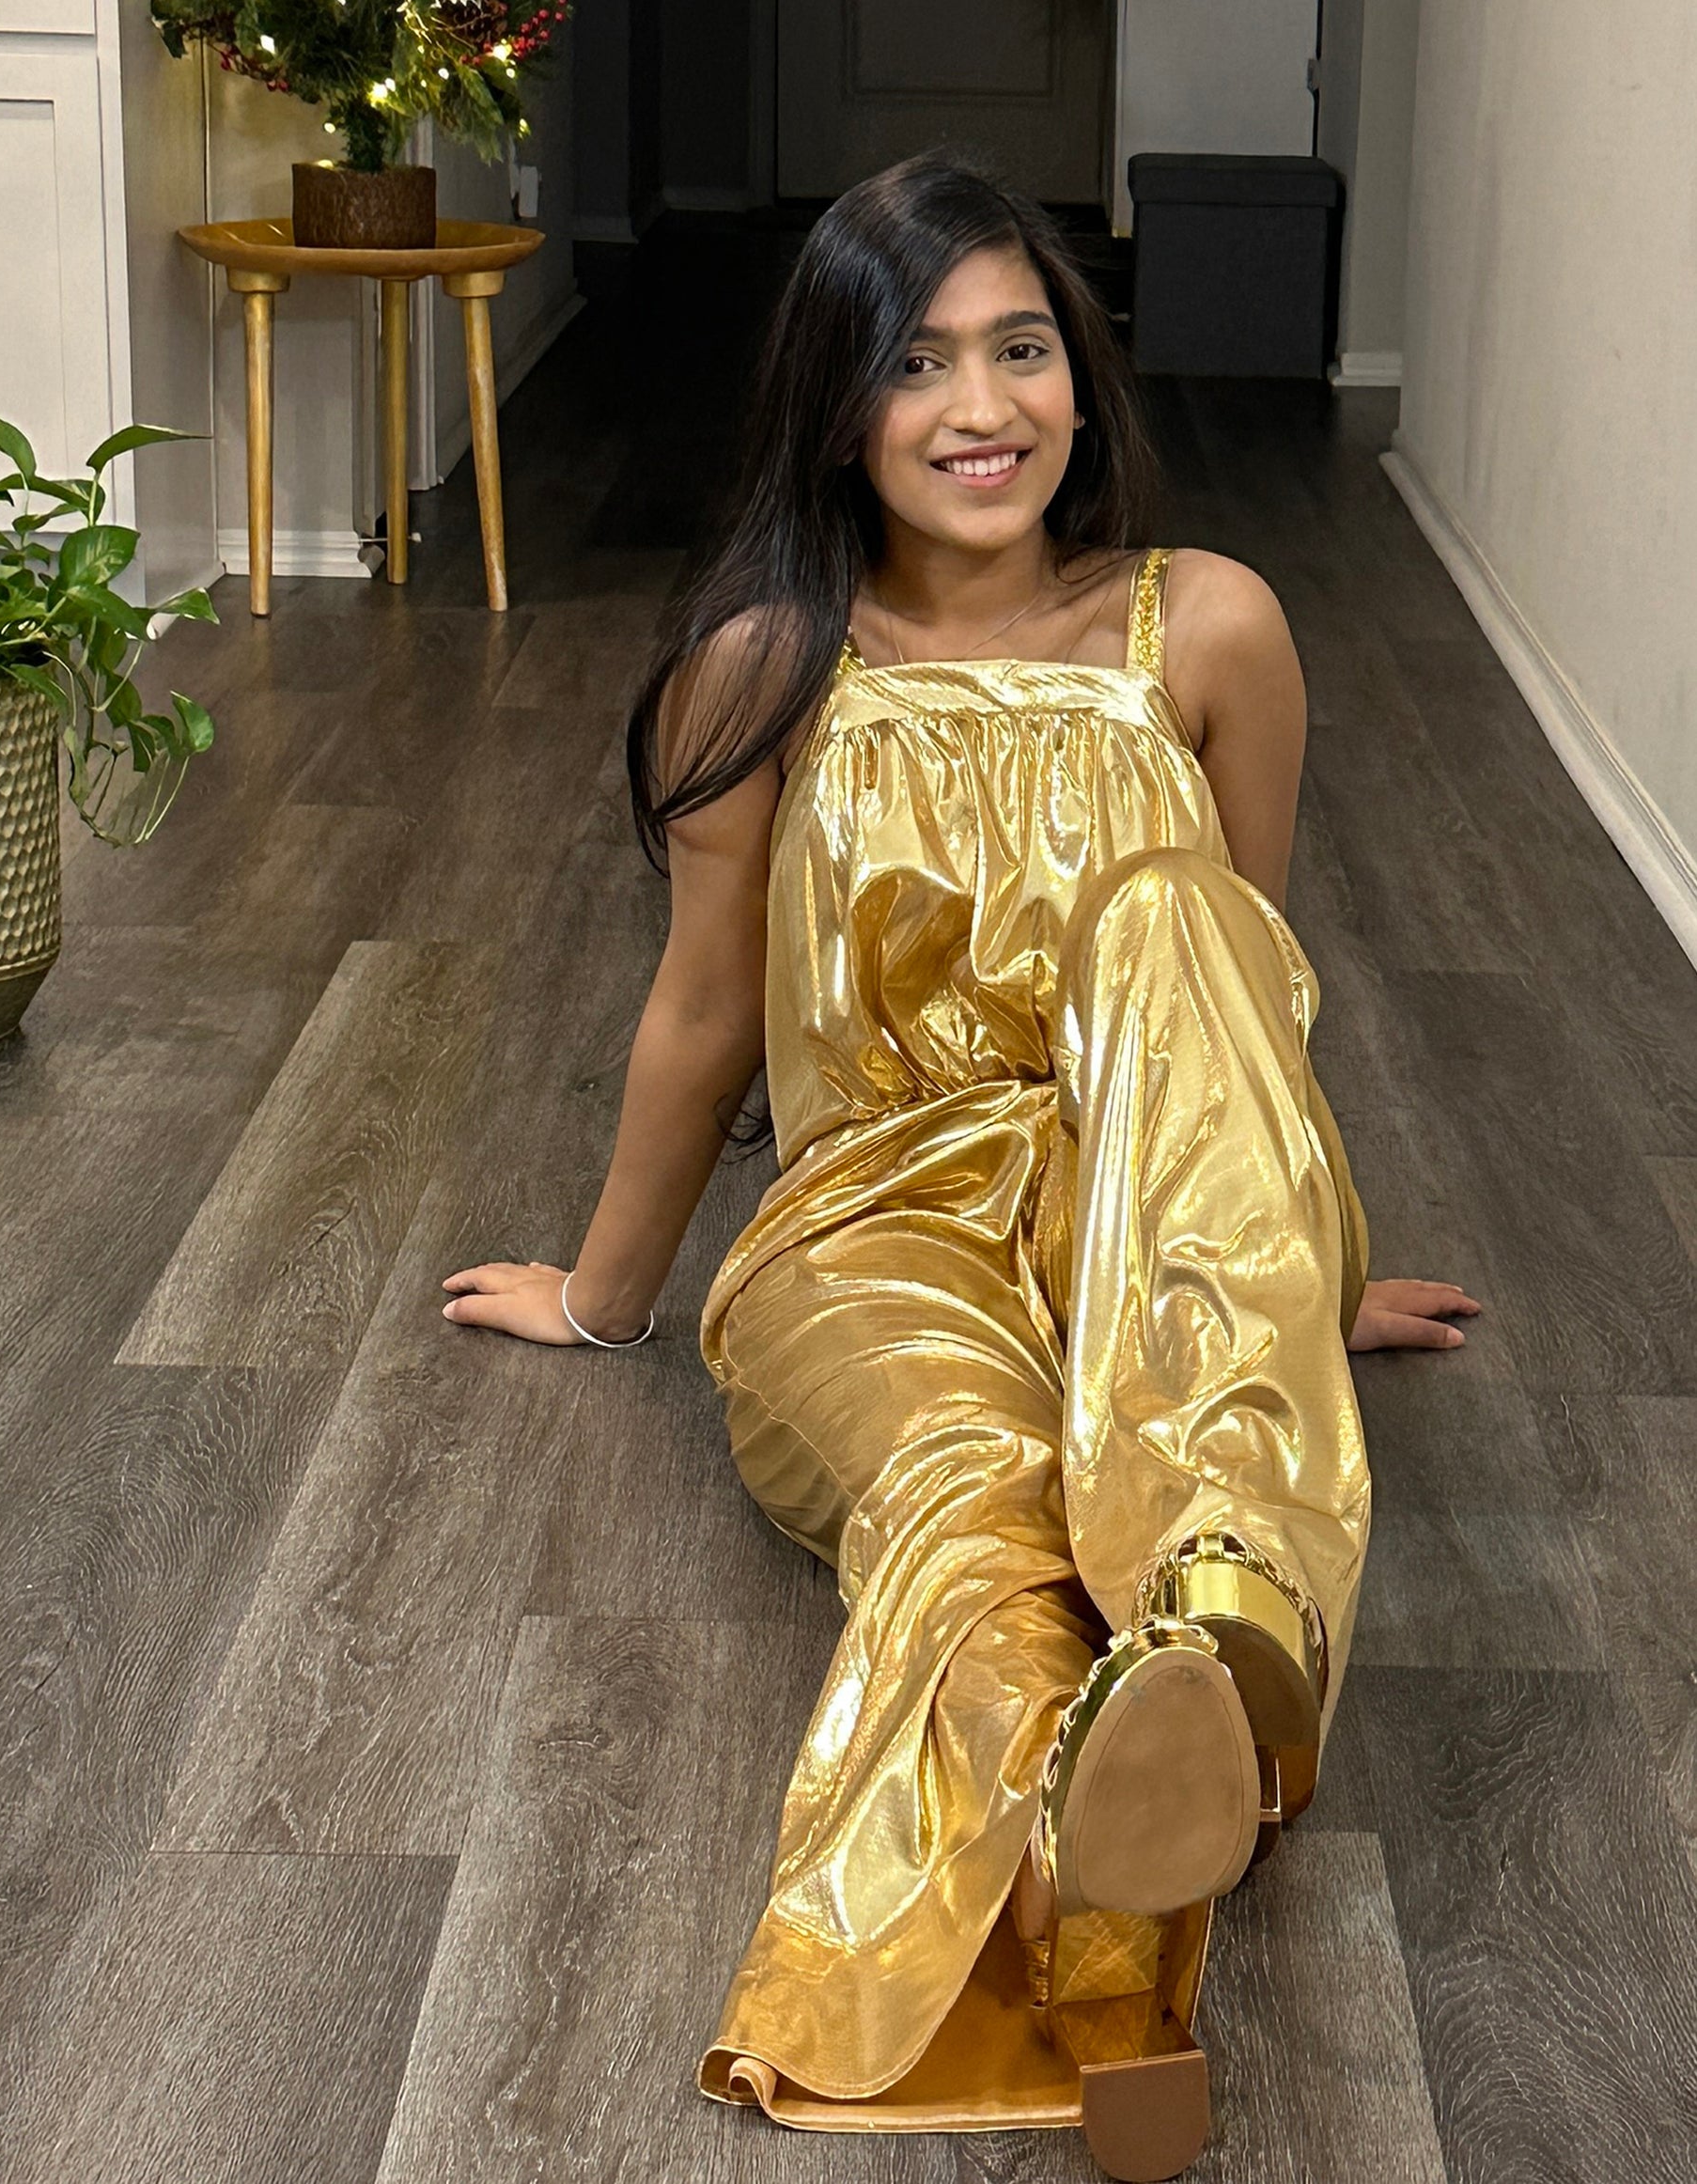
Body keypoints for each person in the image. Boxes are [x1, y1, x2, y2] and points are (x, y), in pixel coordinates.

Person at [442, 149, 1481, 2182]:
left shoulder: (1213, 628)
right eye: (915, 362)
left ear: (1083, 380)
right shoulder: (767, 666)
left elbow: (1235, 1005)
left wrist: (1294, 1266)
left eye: (1022, 349)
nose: (980, 406)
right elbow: (702, 1014)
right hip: (873, 1229)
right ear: (838, 403)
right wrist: (602, 1294)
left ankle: (1216, 1605)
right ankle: (1116, 1909)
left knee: (1178, 911)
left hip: (1140, 1205)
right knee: (974, 1508)